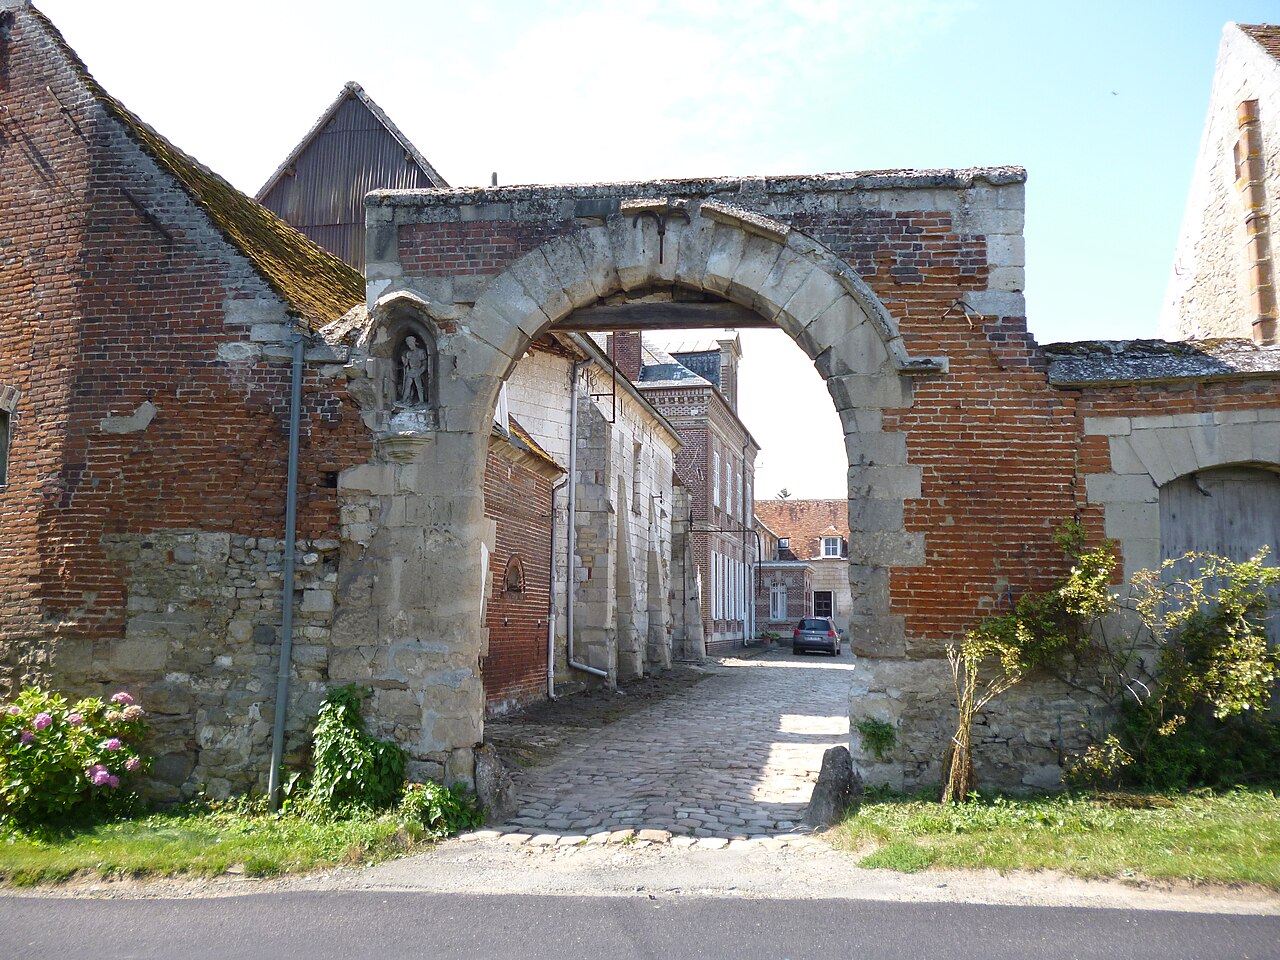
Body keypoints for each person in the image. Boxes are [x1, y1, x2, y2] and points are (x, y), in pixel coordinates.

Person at [399, 336, 428, 405]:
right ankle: (404, 399)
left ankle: (421, 400)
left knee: (419, 386)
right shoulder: (408, 353)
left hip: (418, 370)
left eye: (411, 344)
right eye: (408, 345)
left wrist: (420, 371)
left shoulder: (421, 352)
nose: (410, 346)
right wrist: (403, 358)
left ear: (414, 343)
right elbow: (406, 364)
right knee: (407, 385)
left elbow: (425, 364)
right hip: (411, 371)